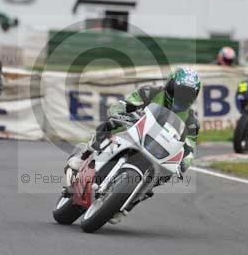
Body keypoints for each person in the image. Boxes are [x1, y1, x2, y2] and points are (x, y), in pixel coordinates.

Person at [67, 67, 201, 178]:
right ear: (169, 85)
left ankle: (131, 200)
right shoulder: (150, 92)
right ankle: (85, 154)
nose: (182, 97)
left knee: (167, 175)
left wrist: (184, 163)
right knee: (111, 124)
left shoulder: (192, 122)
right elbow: (123, 105)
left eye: (188, 94)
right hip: (135, 131)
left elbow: (189, 150)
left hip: (160, 150)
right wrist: (120, 114)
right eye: (179, 91)